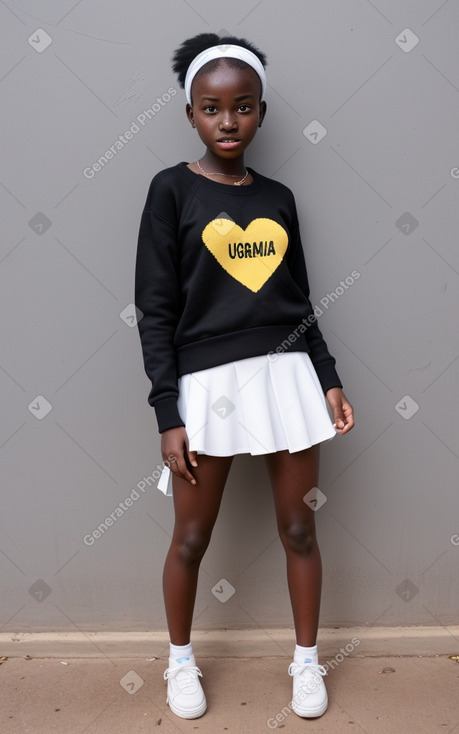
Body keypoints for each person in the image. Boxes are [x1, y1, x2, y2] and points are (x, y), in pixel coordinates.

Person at [135, 31, 354, 721]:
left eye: (242, 106)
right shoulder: (170, 191)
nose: (227, 121)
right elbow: (155, 310)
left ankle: (305, 662)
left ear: (260, 110)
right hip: (207, 387)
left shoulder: (280, 197)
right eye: (211, 107)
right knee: (191, 538)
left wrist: (328, 376)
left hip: (287, 376)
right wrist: (168, 412)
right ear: (190, 113)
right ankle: (178, 664)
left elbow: (298, 300)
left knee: (298, 530)